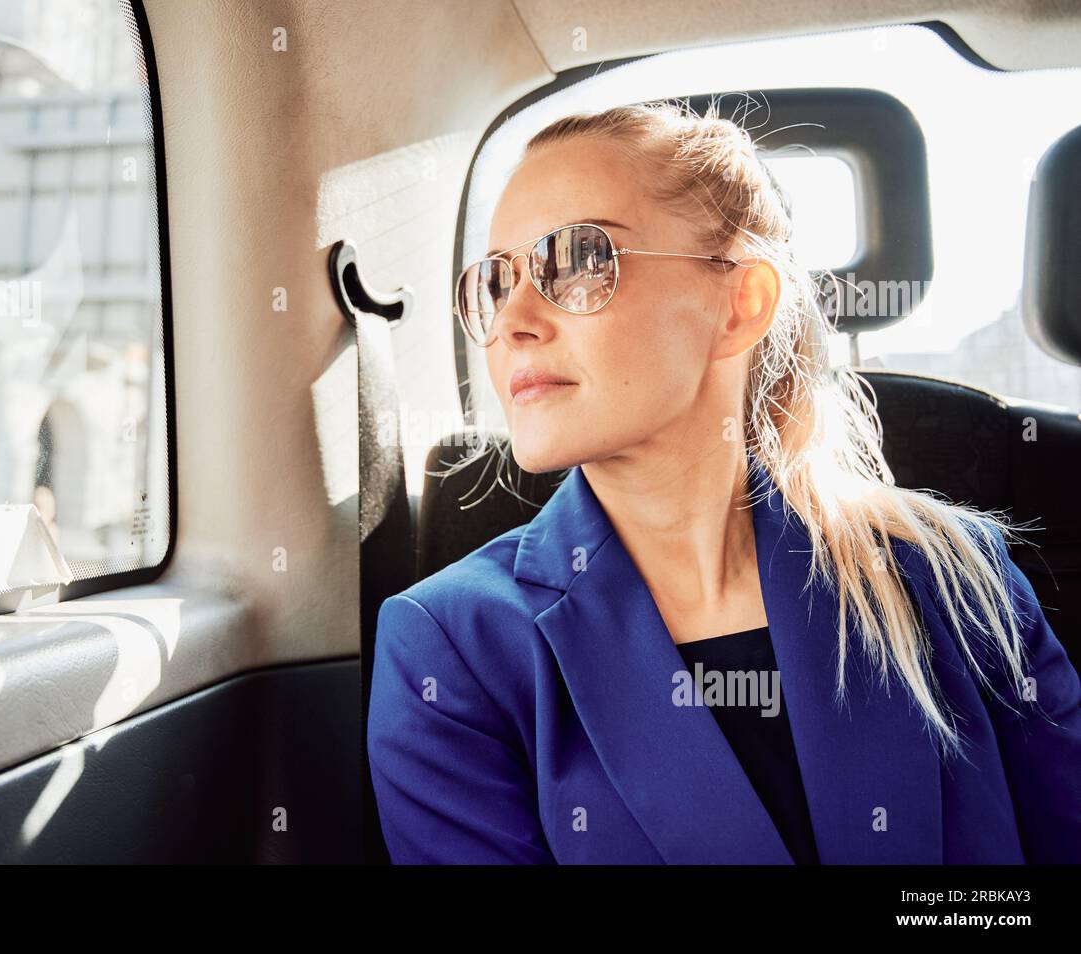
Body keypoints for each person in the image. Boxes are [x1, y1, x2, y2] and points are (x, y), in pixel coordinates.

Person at [365, 100, 1081, 864]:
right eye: (495, 282)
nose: (514, 320)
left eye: (577, 260)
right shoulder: (449, 650)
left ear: (741, 304)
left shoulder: (952, 577)